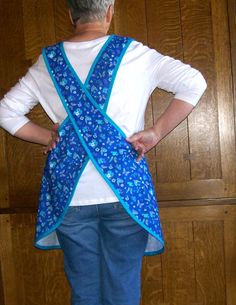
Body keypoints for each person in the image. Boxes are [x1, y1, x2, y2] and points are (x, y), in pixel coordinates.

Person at [0, 1, 207, 304]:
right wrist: (156, 132)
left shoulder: (47, 63)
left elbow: (6, 112)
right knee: (122, 290)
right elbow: (194, 82)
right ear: (110, 11)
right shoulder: (135, 54)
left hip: (71, 197)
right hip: (126, 192)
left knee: (84, 292)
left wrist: (47, 136)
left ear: (71, 14)